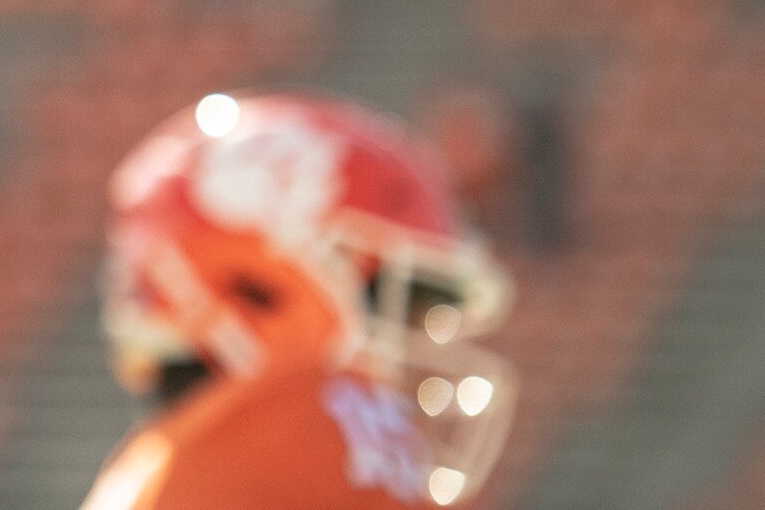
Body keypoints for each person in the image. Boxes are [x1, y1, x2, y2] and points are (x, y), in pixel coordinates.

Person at [84, 91, 516, 510]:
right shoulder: (241, 468)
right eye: (381, 303)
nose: (407, 351)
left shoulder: (162, 476)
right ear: (251, 290)